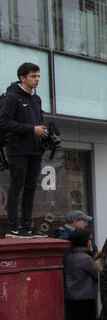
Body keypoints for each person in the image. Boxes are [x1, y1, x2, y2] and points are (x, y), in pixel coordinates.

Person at [0, 63, 50, 237]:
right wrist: (31, 130)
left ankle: (27, 225)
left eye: (38, 76)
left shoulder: (36, 99)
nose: (37, 79)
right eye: (33, 76)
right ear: (23, 78)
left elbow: (38, 124)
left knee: (31, 187)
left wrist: (44, 138)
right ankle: (13, 227)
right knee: (17, 186)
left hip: (35, 149)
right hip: (17, 149)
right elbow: (4, 122)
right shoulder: (12, 97)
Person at [64, 228, 104, 320]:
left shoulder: (71, 256)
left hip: (73, 297)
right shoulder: (85, 258)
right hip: (85, 297)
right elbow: (97, 273)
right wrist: (96, 258)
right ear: (86, 242)